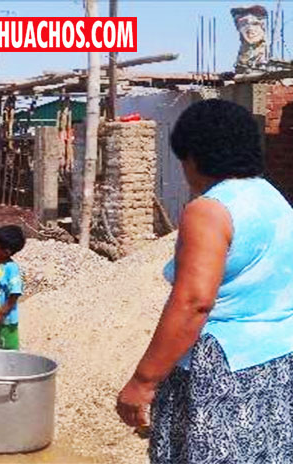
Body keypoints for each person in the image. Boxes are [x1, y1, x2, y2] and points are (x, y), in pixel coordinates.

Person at [115, 99, 293, 463]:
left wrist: (143, 381)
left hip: (221, 370)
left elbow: (194, 302)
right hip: (277, 361)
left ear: (194, 156)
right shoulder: (273, 198)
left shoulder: (209, 210)